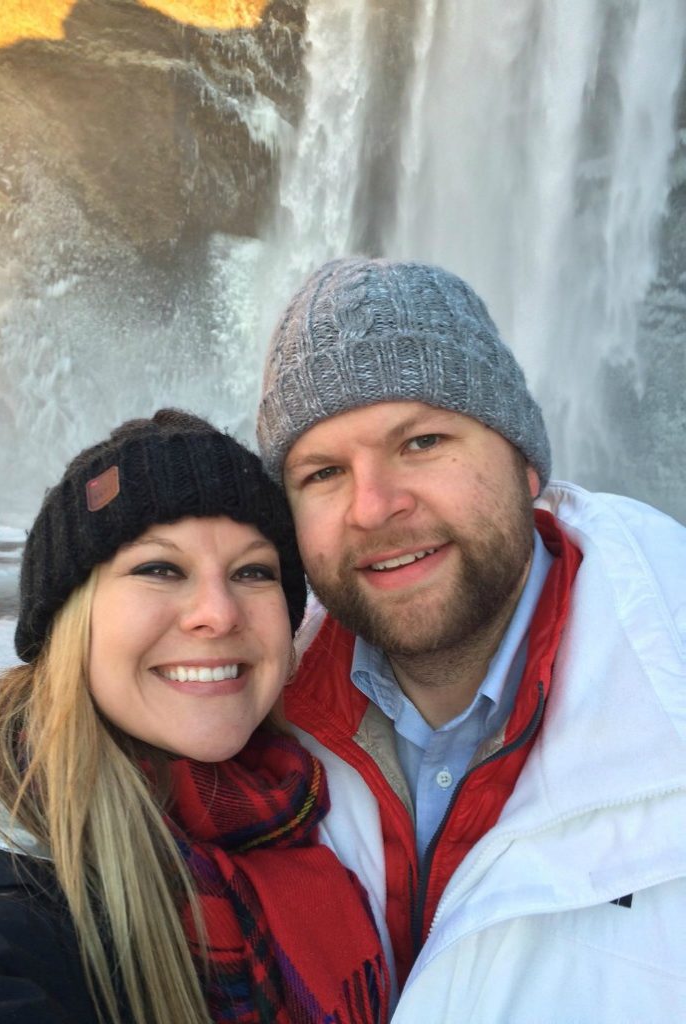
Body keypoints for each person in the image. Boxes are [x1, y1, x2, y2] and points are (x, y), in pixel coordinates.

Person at [256, 257, 686, 1022]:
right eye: (322, 473)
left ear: (525, 464)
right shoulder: (238, 701)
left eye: (421, 442)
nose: (374, 507)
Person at [0, 409, 390, 1024]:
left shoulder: (307, 803)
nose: (217, 615)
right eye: (159, 569)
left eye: (253, 572)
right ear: (70, 621)